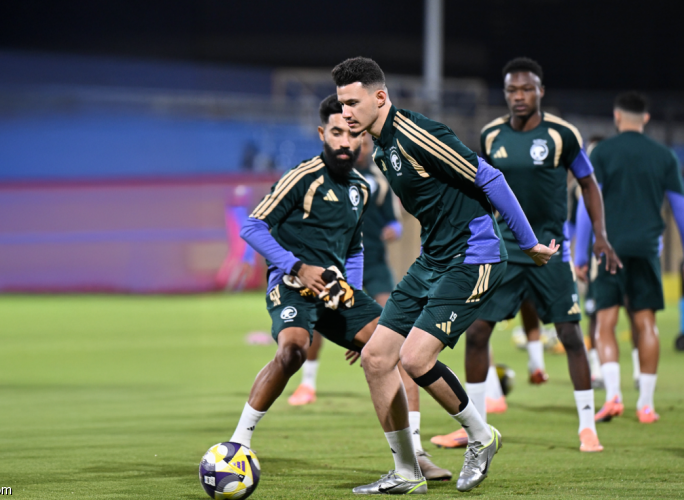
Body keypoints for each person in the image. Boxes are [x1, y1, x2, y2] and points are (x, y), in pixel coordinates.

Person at [334, 56, 557, 494]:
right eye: (341, 104)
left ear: (380, 97)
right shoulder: (381, 149)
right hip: (433, 261)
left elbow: (489, 177)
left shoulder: (417, 134)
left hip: (474, 257)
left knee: (415, 359)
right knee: (377, 357)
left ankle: (481, 437)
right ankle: (406, 471)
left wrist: (528, 242)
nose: (345, 113)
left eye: (353, 103)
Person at [225, 94, 449, 486]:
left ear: (362, 137)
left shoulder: (361, 188)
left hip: (337, 294)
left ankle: (413, 455)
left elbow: (355, 248)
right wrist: (296, 266)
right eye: (336, 133)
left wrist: (354, 304)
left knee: (395, 348)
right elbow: (252, 226)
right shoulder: (302, 177)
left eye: (352, 134)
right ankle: (238, 444)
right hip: (292, 287)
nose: (345, 142)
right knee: (293, 352)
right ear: (322, 134)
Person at [435, 57, 620, 454]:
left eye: (527, 89)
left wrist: (600, 236)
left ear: (541, 91)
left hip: (550, 251)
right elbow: (479, 188)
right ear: (505, 94)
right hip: (503, 249)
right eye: (512, 90)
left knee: (570, 334)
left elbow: (589, 184)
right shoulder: (491, 135)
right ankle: (474, 428)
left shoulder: (562, 134)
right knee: (477, 332)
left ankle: (588, 427)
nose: (519, 96)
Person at [286, 134, 451, 481]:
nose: (352, 146)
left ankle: (416, 452)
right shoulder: (314, 180)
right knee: (314, 330)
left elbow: (394, 219)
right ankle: (308, 383)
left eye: (359, 139)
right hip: (329, 270)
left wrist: (393, 229)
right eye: (344, 136)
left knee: (397, 341)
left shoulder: (378, 181)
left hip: (372, 263)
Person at [575, 91, 684, 424]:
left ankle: (613, 396)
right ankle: (645, 404)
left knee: (605, 323)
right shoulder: (664, 156)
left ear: (617, 117)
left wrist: (581, 253)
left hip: (609, 250)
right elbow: (681, 211)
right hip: (646, 250)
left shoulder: (602, 152)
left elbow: (587, 205)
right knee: (646, 324)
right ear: (645, 118)